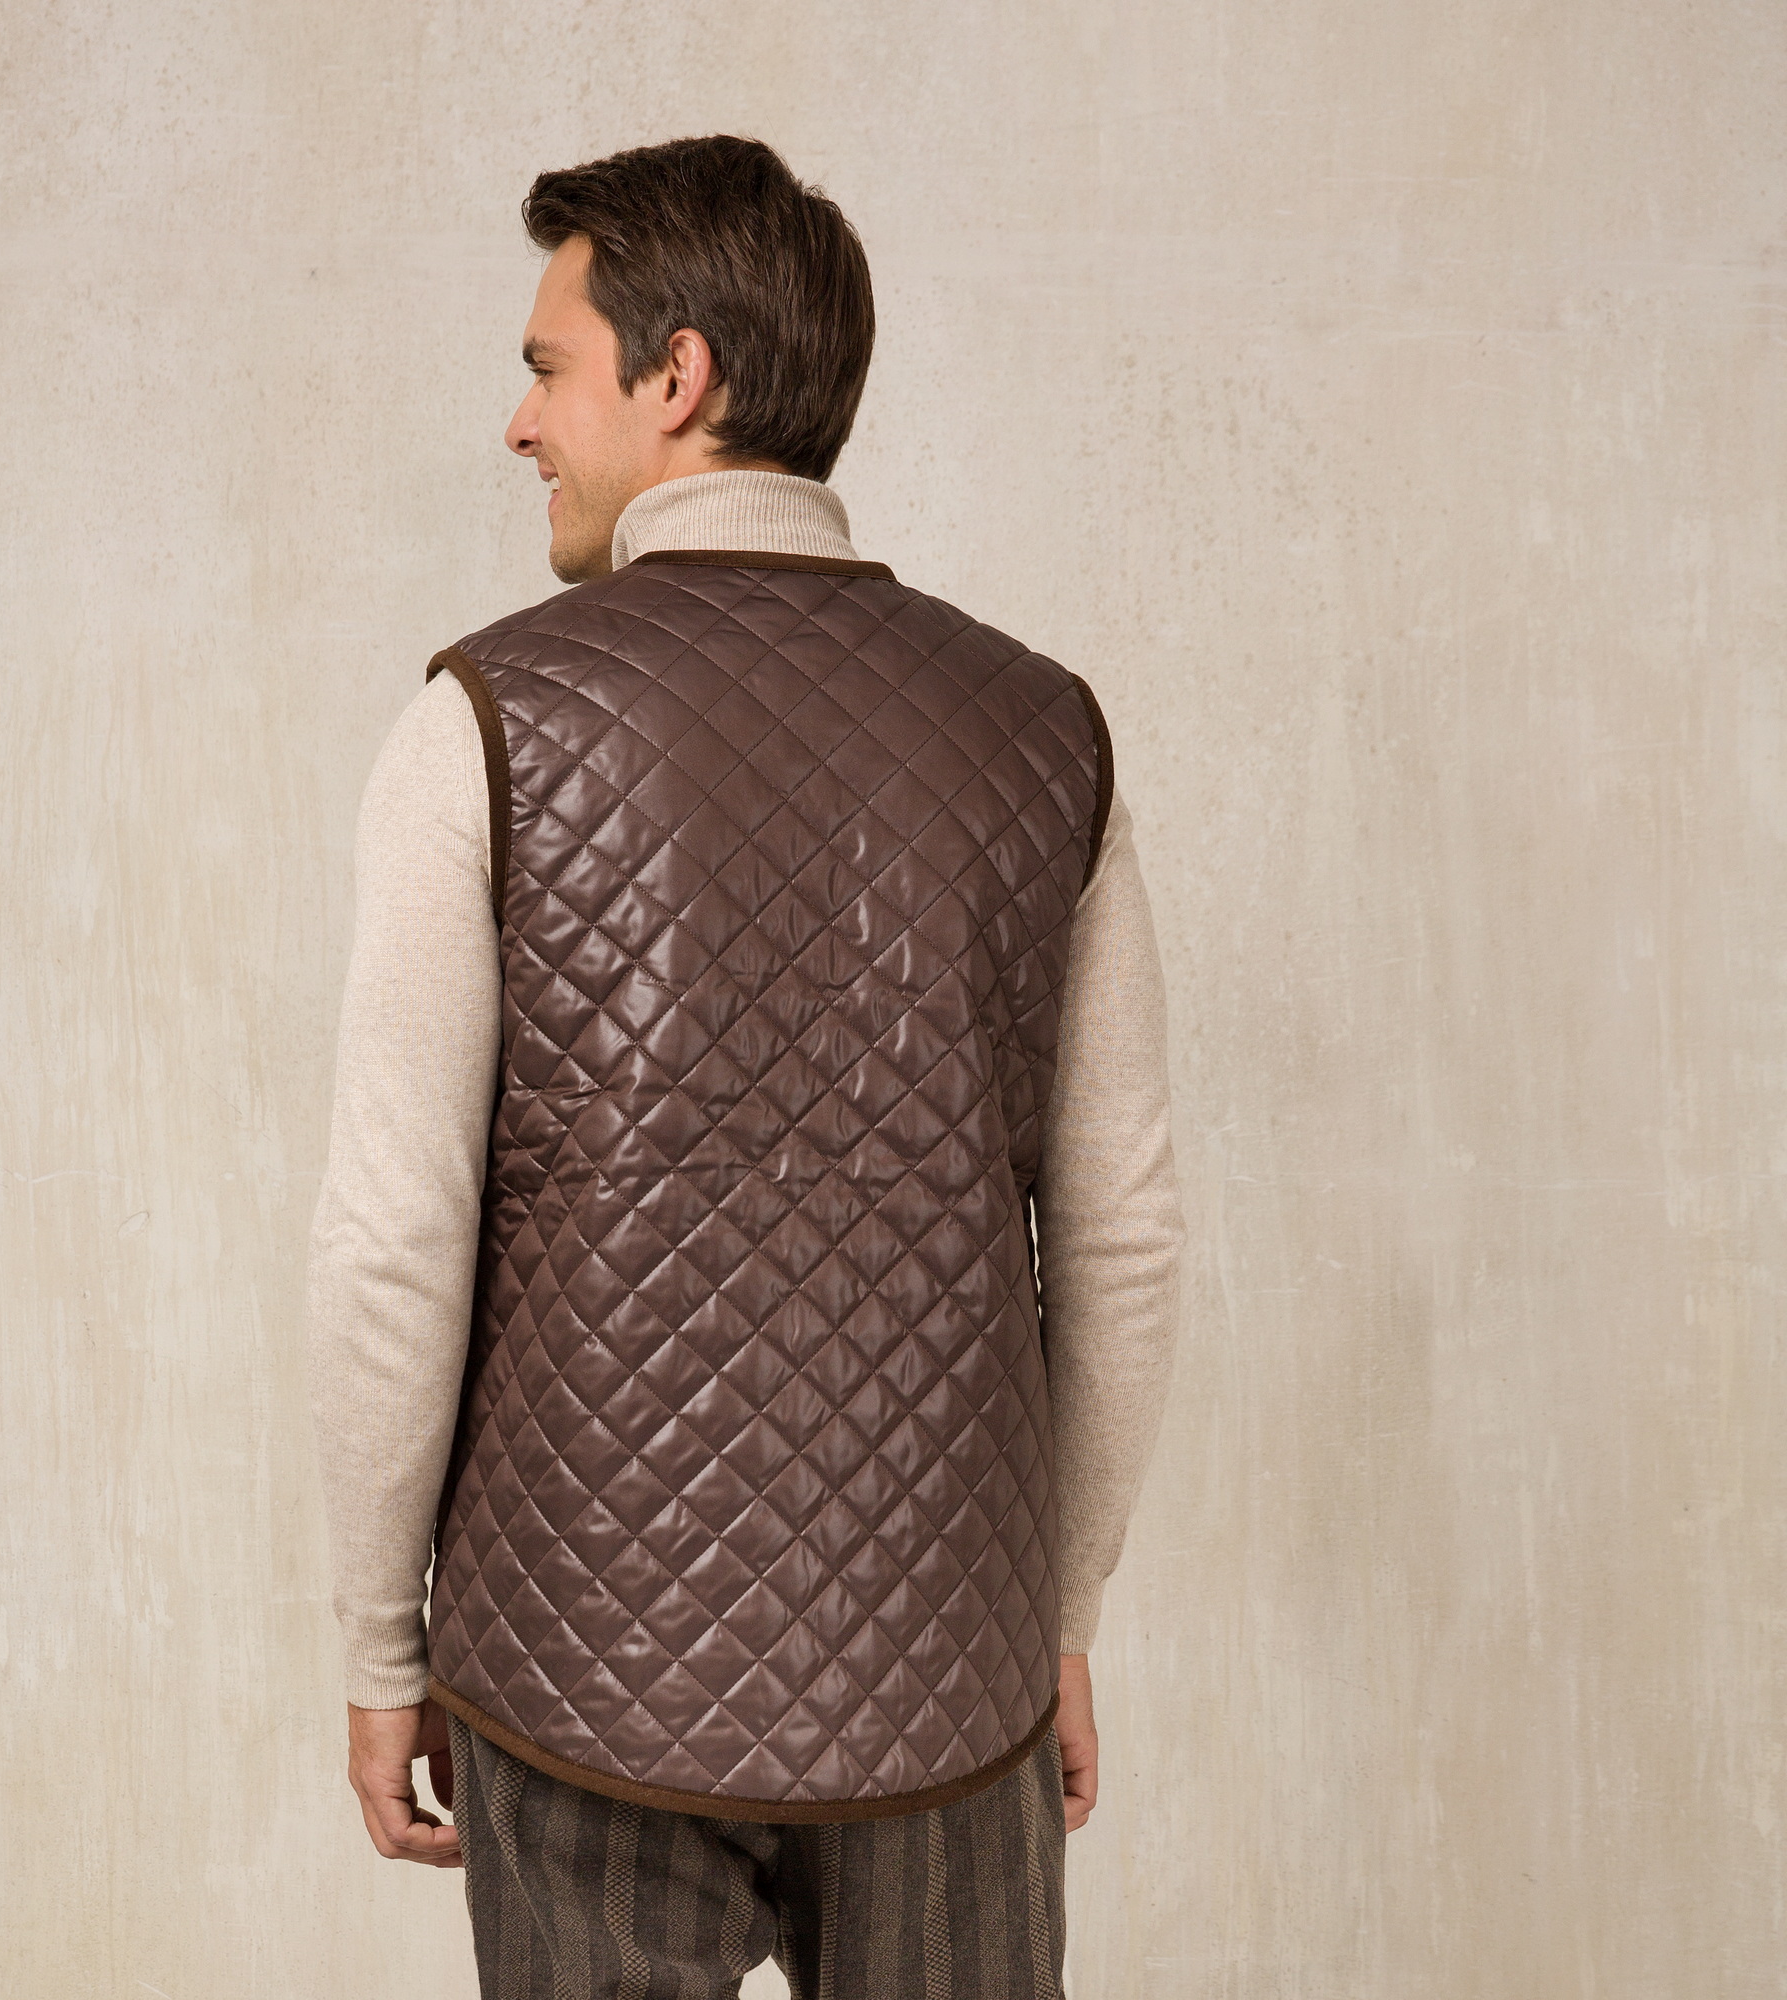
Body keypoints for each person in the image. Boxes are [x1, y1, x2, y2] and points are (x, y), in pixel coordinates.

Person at [305, 133, 1186, 2000]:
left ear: (678, 376)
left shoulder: (484, 726)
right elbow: (1121, 1241)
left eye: (549, 368)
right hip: (949, 1679)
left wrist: (385, 1646)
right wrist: (1055, 1615)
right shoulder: (1047, 735)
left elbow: (394, 1240)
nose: (520, 424)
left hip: (575, 1681)